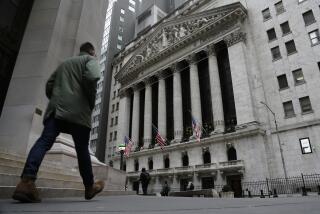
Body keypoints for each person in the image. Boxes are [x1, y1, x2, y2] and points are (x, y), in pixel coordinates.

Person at [12, 42, 104, 203]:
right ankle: (89, 187)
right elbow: (92, 77)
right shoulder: (90, 60)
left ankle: (26, 181)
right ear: (91, 52)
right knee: (82, 149)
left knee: (44, 142)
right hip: (79, 113)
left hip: (56, 110)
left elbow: (49, 85)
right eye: (94, 53)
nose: (95, 55)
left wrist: (57, 98)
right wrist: (89, 102)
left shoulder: (65, 64)